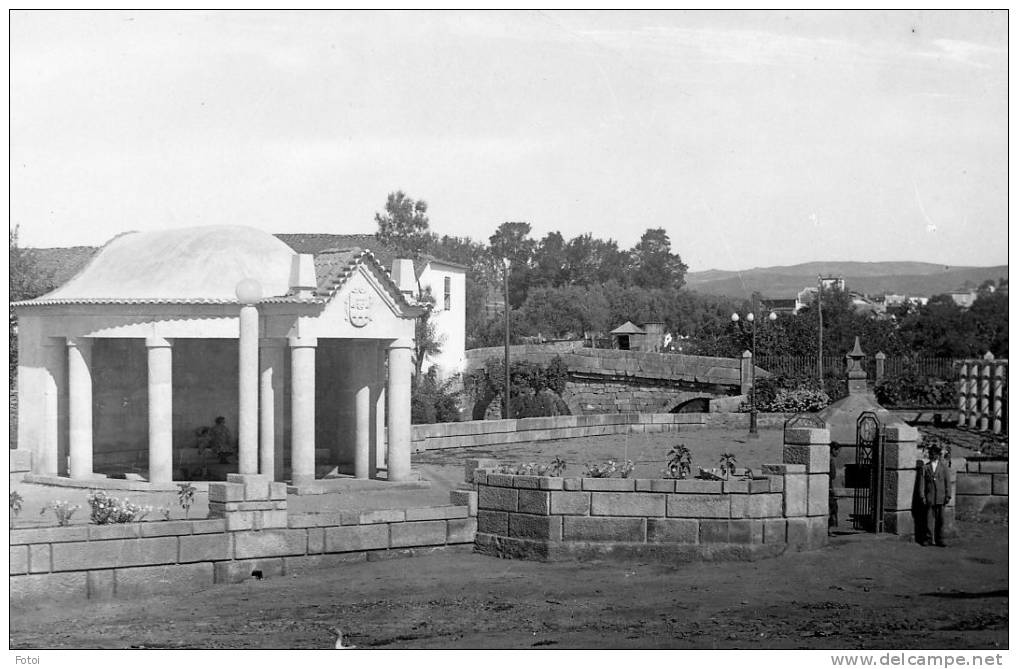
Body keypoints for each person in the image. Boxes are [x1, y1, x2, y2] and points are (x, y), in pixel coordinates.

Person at [920, 443, 951, 547]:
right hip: (930, 497)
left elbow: (948, 482)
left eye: (935, 454)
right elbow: (922, 484)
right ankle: (928, 539)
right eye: (931, 454)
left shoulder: (943, 467)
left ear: (938, 455)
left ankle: (940, 539)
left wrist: (948, 495)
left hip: (941, 497)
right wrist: (922, 496)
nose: (933, 456)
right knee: (928, 520)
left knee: (941, 520)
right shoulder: (925, 467)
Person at [828, 444, 840, 535]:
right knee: (833, 508)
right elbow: (833, 475)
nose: (838, 453)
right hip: (829, 487)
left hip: (827, 486)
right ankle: (829, 529)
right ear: (833, 450)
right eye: (837, 450)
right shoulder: (831, 460)